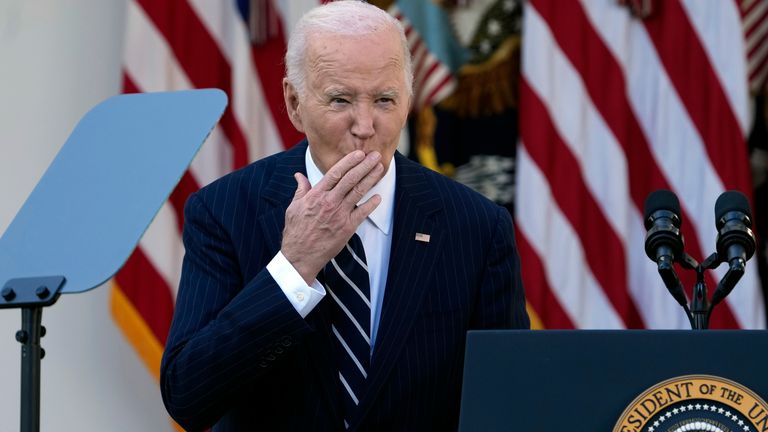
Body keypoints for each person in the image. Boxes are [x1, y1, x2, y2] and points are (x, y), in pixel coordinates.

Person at [160, 1, 529, 431]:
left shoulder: (477, 227)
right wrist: (294, 269)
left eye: (385, 99)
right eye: (341, 100)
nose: (366, 125)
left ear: (409, 100)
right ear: (294, 103)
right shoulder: (223, 211)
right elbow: (188, 397)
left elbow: (507, 400)